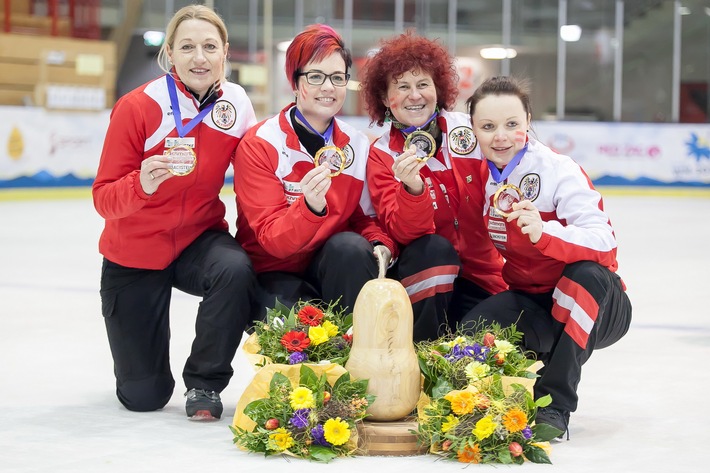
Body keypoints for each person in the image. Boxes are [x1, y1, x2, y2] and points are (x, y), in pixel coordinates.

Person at [92, 4, 257, 421]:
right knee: (144, 396)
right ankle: (143, 370)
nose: (199, 57)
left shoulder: (236, 103)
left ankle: (205, 382)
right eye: (187, 47)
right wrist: (140, 184)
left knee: (235, 269)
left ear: (224, 53)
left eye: (208, 47)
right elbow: (103, 198)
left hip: (198, 239)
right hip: (135, 251)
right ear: (170, 53)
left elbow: (259, 173)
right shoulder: (138, 107)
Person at [460, 76, 632, 437]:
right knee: (470, 335)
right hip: (536, 301)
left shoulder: (557, 169)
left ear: (528, 121)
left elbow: (604, 243)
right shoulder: (481, 174)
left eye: (512, 125)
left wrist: (545, 233)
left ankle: (555, 403)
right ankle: (513, 392)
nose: (501, 136)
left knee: (584, 275)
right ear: (473, 130)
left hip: (601, 305)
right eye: (488, 127)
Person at [233, 25, 396, 318]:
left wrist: (379, 243)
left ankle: (353, 348)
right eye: (316, 76)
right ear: (295, 83)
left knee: (350, 248)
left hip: (326, 265)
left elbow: (362, 218)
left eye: (337, 78)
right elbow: (273, 240)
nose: (328, 87)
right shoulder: (261, 143)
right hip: (273, 271)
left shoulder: (357, 144)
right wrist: (309, 207)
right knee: (301, 336)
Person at [360, 32, 507, 341]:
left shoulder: (471, 129)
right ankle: (422, 351)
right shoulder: (383, 154)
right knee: (433, 248)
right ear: (386, 99)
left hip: (486, 276)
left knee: (498, 342)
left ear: (438, 89)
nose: (415, 95)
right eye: (403, 87)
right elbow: (405, 234)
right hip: (426, 277)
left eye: (423, 84)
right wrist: (413, 189)